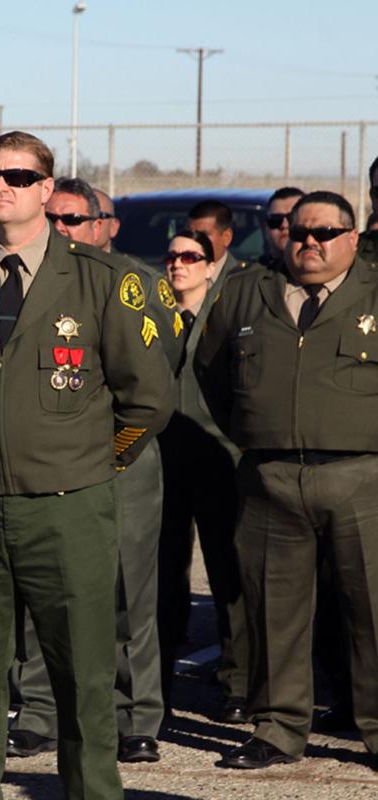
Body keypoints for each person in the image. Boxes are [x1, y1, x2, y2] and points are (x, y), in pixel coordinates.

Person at [0, 131, 174, 799]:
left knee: (83, 682)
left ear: (47, 189)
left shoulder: (101, 281)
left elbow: (149, 399)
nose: (1, 187)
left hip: (69, 508)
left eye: (19, 177)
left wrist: (95, 464)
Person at [196, 191, 378, 771]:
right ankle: (277, 727)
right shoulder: (247, 291)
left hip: (362, 478)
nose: (310, 243)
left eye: (325, 233)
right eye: (299, 233)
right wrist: (255, 431)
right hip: (270, 477)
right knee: (274, 611)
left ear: (352, 237)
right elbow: (212, 370)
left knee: (372, 612)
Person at [7, 177, 181, 765]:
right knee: (43, 588)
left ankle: (135, 715)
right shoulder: (29, 279)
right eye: (54, 219)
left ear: (102, 226)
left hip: (119, 453)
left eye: (74, 221)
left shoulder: (132, 282)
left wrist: (113, 449)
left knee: (128, 591)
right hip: (50, 459)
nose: (62, 230)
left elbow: (160, 370)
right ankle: (40, 711)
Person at [154, 228, 249, 721]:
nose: (179, 264)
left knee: (226, 571)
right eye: (172, 256)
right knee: (163, 574)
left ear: (211, 267)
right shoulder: (152, 318)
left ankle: (238, 684)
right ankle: (157, 686)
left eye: (191, 257)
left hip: (217, 458)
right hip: (162, 461)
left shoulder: (227, 316)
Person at [187, 199, 250, 284]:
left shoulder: (246, 281)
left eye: (204, 235)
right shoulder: (174, 276)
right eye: (189, 234)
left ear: (226, 238)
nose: (194, 241)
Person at [259, 187, 305, 271]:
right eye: (276, 220)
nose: (284, 225)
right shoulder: (251, 276)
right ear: (266, 228)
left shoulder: (324, 274)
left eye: (292, 218)